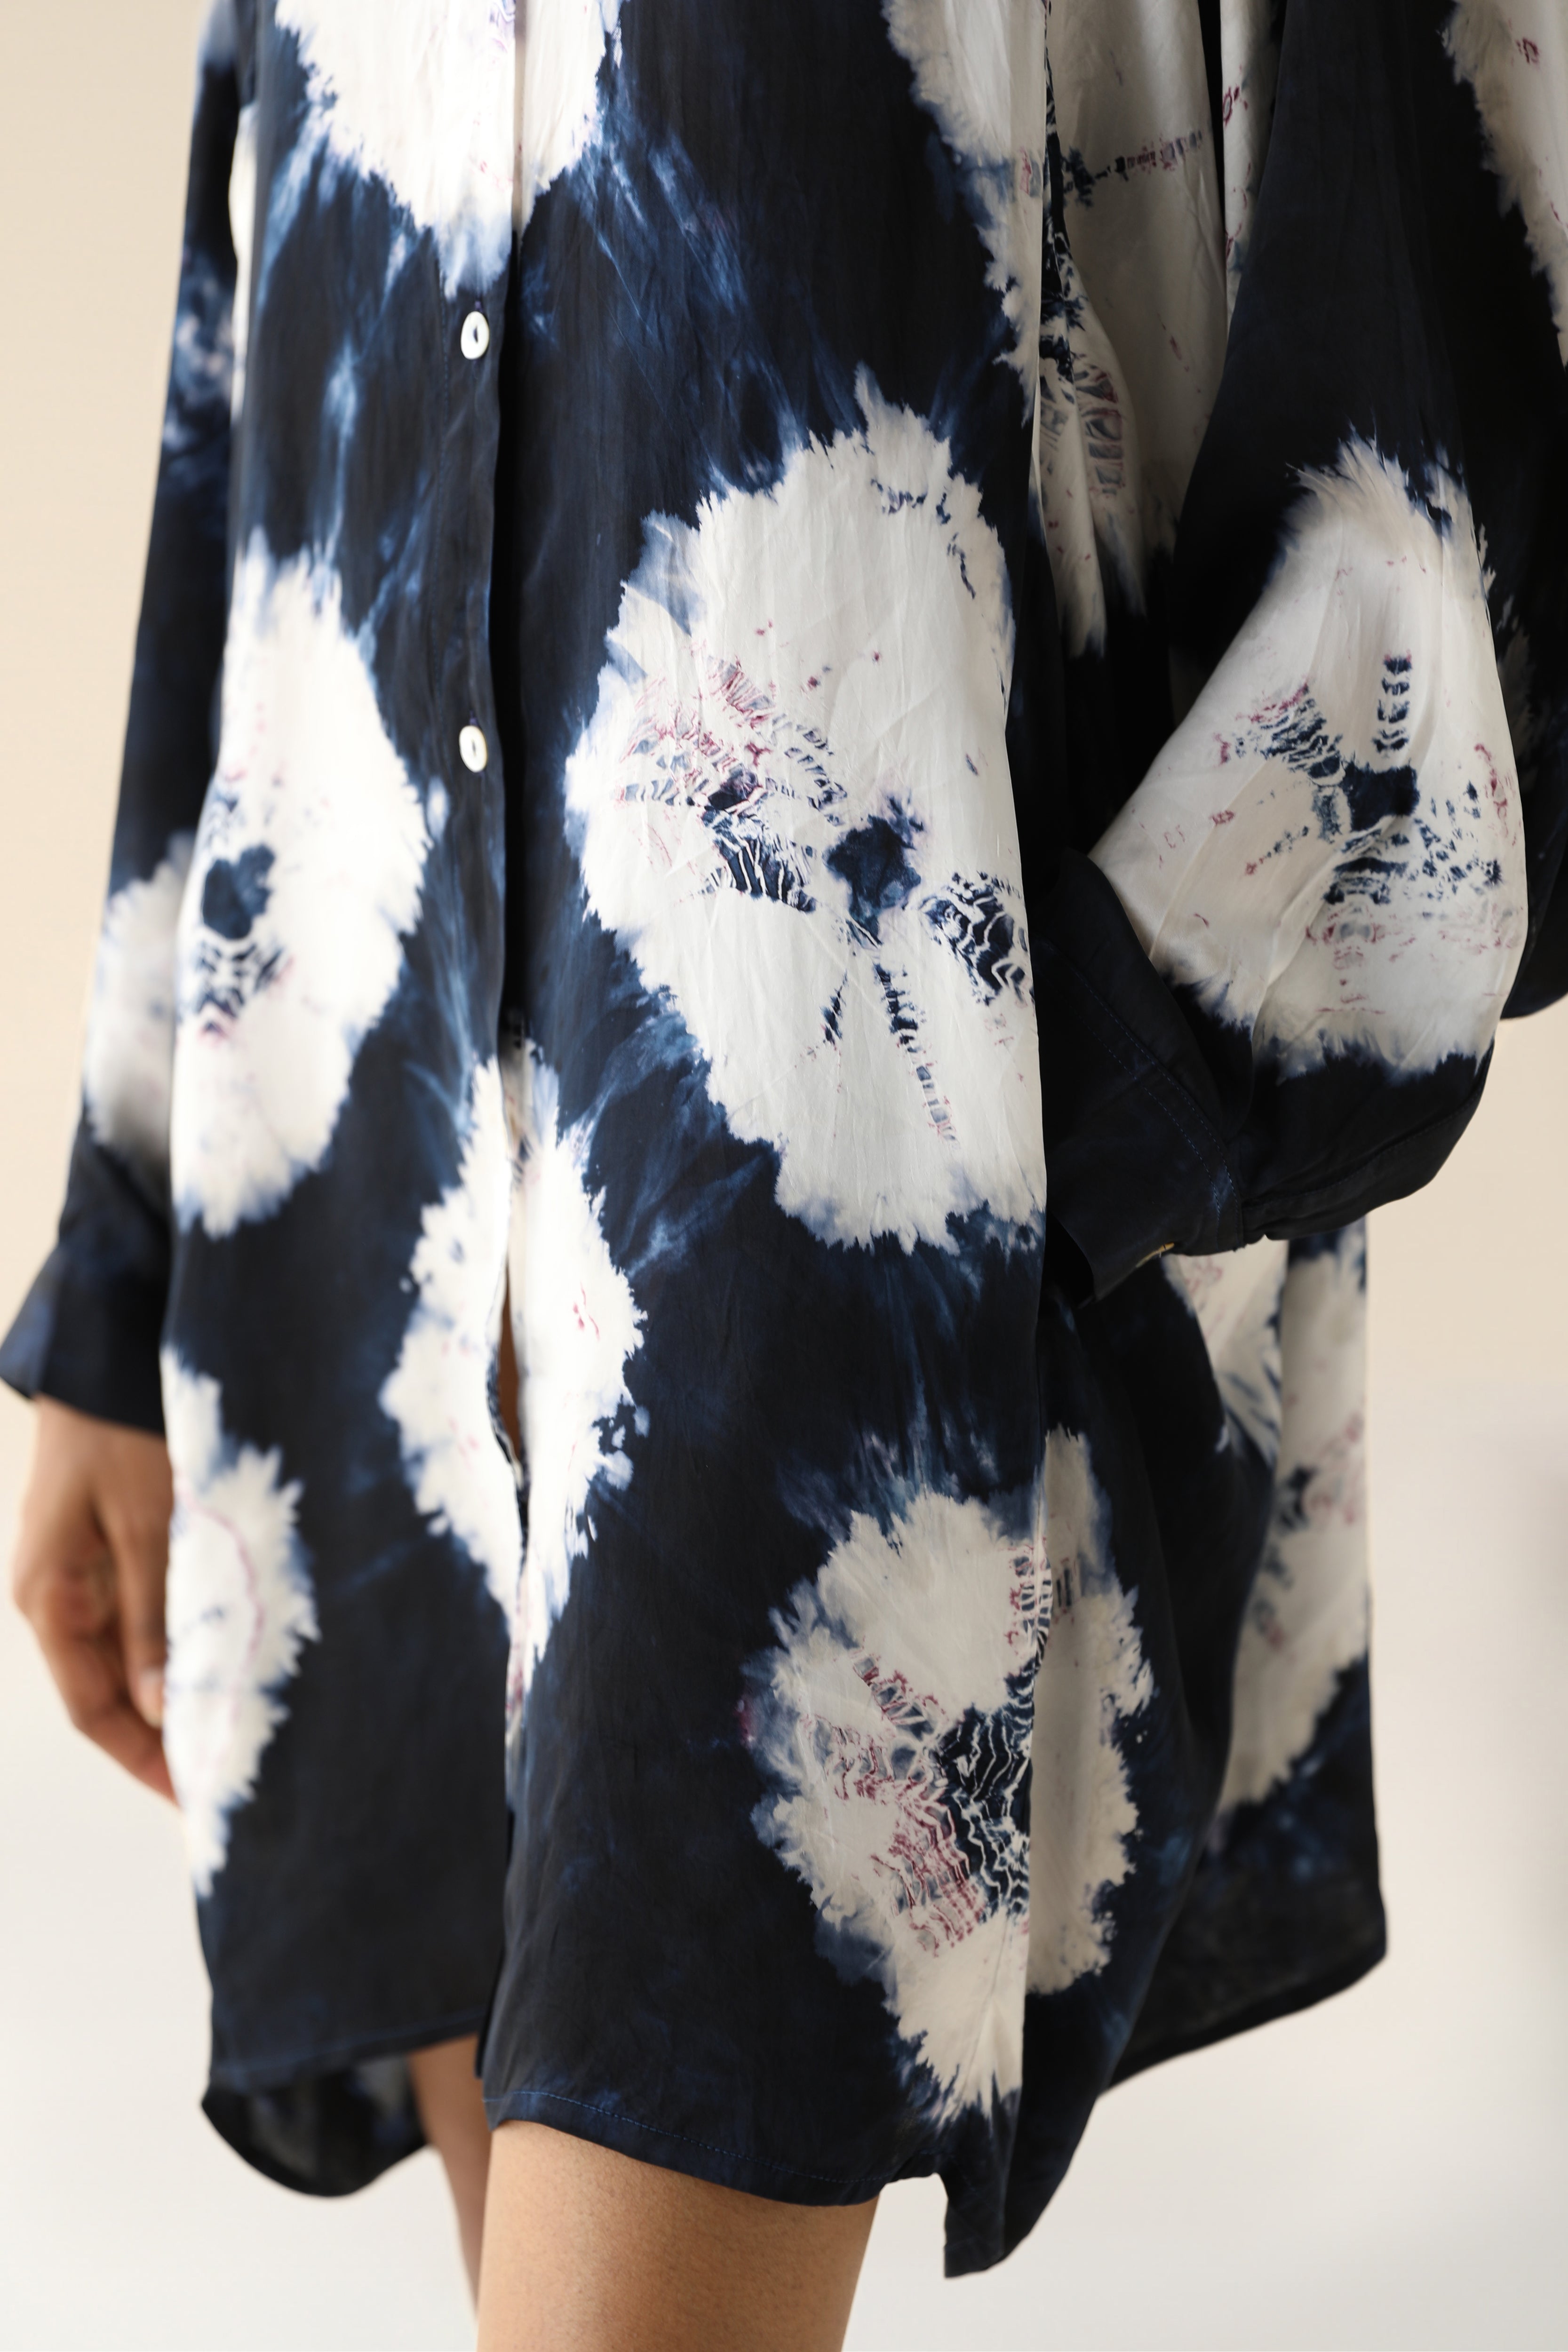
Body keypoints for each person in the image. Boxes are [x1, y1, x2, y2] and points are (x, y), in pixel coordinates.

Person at [8, 3, 1567, 2346]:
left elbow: (1447, 467)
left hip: (823, 1228)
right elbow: (245, 379)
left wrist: (1035, 1167)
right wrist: (121, 1261)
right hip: (357, 1184)